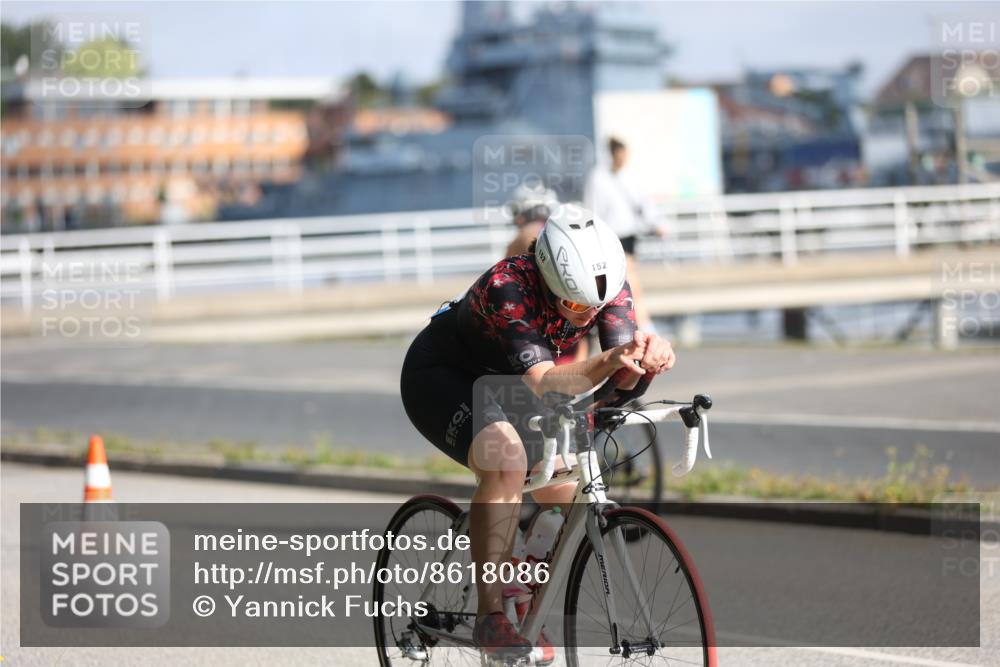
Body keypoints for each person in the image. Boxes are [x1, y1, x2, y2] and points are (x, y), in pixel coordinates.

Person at [400, 203, 676, 661]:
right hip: (443, 377)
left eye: (597, 307)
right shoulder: (508, 287)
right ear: (548, 278)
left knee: (567, 489)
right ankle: (491, 616)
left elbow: (617, 378)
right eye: (575, 305)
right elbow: (548, 382)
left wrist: (645, 361)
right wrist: (610, 359)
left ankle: (524, 598)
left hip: (509, 384)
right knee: (506, 461)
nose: (587, 315)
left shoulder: (606, 287)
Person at [584, 137, 665, 332]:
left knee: (628, 281)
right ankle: (641, 323)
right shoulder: (599, 177)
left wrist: (657, 224)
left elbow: (643, 204)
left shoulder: (627, 176)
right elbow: (592, 209)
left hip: (628, 234)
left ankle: (636, 323)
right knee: (627, 281)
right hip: (609, 237)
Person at [504, 182, 589, 365]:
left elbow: (504, 287)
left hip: (542, 338)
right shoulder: (562, 234)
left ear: (520, 214)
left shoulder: (520, 239)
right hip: (574, 324)